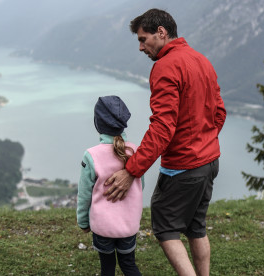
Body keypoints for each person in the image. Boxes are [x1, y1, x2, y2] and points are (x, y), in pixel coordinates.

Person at [103, 9, 226, 276]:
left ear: (161, 32)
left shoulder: (165, 66)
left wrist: (132, 170)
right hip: (209, 161)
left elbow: (162, 127)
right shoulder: (201, 60)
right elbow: (219, 113)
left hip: (184, 166)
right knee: (196, 226)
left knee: (165, 227)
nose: (140, 47)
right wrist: (204, 142)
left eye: (143, 39)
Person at [77, 95, 144, 276]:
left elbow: (84, 194)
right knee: (129, 265)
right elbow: (140, 186)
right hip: (128, 225)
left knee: (107, 268)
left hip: (102, 226)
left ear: (97, 124)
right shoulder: (135, 151)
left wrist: (83, 221)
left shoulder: (91, 155)